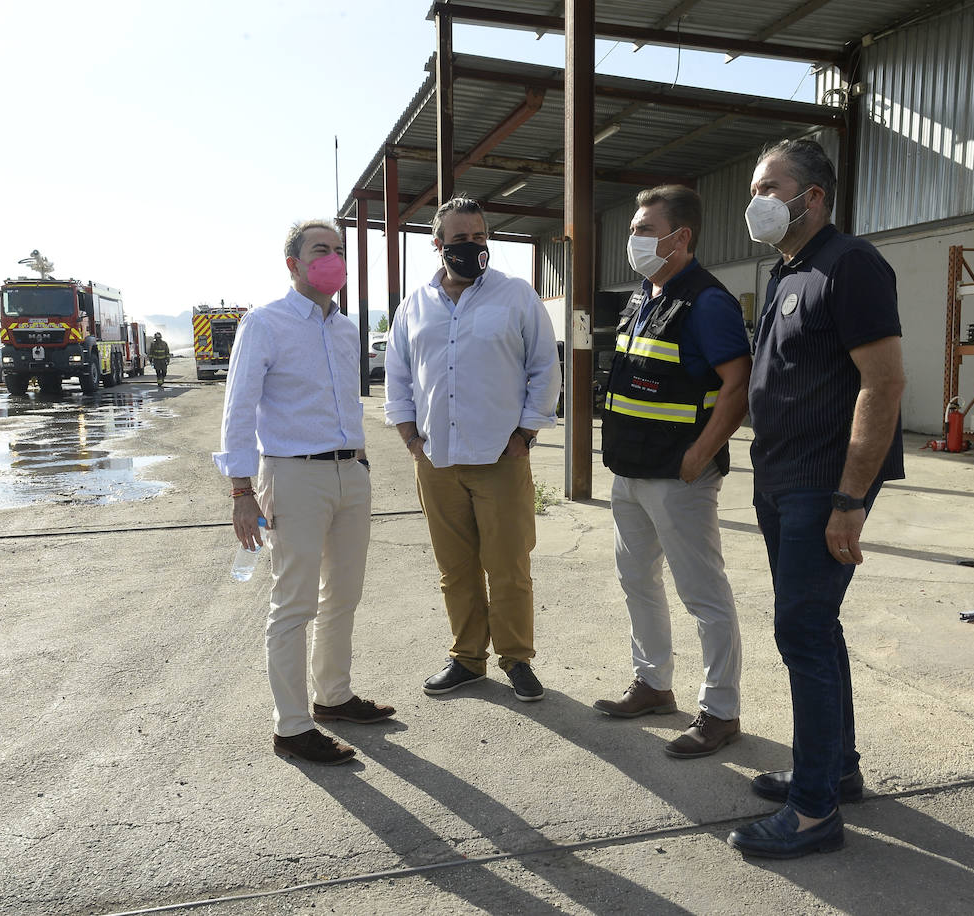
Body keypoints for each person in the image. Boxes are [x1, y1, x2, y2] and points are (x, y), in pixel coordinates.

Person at [726, 139, 905, 858]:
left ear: (815, 197)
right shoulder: (789, 272)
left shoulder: (850, 263)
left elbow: (884, 383)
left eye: (771, 186)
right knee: (817, 629)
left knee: (802, 633)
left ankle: (812, 812)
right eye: (755, 186)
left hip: (821, 486)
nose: (758, 200)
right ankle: (836, 771)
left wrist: (850, 497)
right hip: (781, 477)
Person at [213, 219, 394, 766]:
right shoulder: (264, 324)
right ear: (292, 263)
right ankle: (291, 727)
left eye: (339, 250)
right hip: (293, 476)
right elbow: (238, 409)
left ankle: (333, 697)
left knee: (343, 593)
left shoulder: (345, 328)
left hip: (350, 473)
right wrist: (241, 490)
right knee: (293, 602)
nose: (333, 259)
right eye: (321, 250)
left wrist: (360, 465)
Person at [592, 185, 751, 760]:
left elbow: (738, 387)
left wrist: (700, 454)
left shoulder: (708, 303)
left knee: (703, 595)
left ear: (680, 237)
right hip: (631, 472)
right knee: (638, 581)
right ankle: (654, 684)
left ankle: (721, 711)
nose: (633, 239)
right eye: (634, 228)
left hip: (679, 477)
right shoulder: (644, 295)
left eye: (643, 229)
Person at [384, 196, 560, 703]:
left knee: (508, 565)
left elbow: (543, 368)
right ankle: (467, 658)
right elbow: (398, 377)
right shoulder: (414, 306)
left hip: (501, 460)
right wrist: (411, 439)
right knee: (455, 567)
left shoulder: (517, 297)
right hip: (436, 461)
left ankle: (516, 658)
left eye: (480, 238)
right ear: (438, 245)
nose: (472, 247)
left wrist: (525, 435)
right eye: (460, 240)